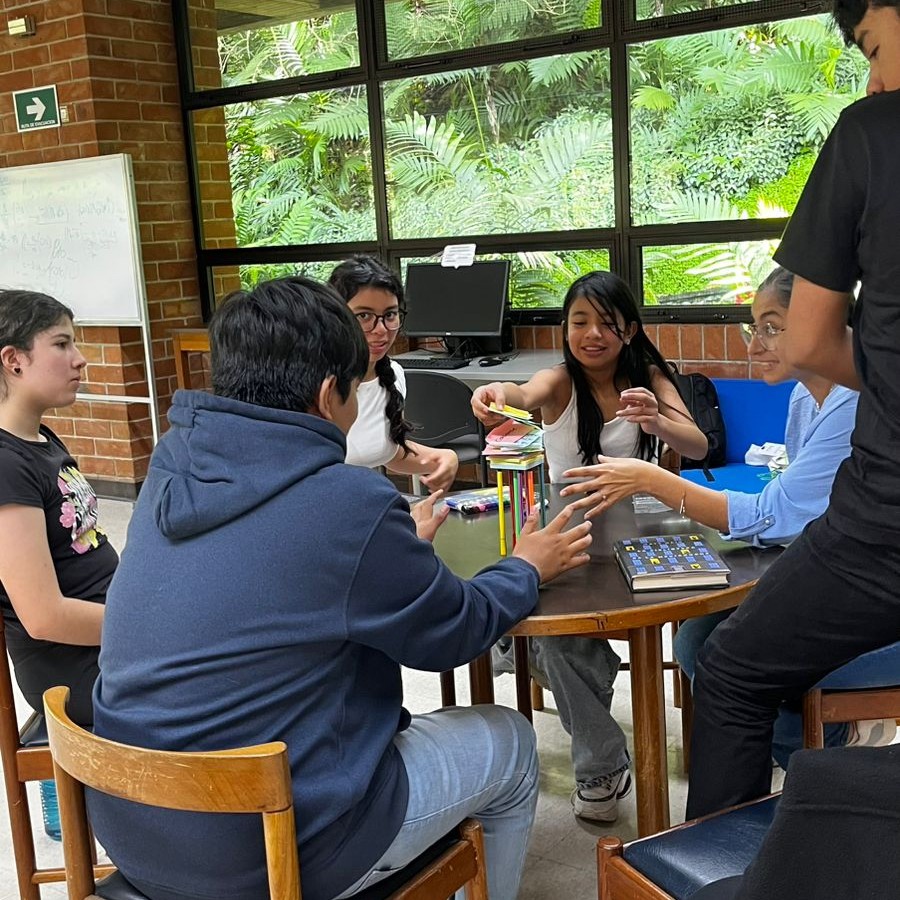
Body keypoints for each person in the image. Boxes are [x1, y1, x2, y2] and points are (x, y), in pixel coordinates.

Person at [90, 276, 593, 900]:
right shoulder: (347, 501)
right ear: (331, 393)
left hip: (135, 822)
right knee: (512, 742)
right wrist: (526, 565)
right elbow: (452, 634)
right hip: (268, 849)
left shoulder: (172, 467)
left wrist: (382, 544)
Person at [684, 0, 900, 820]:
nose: (875, 76)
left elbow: (813, 339)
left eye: (873, 46)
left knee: (731, 667)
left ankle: (722, 867)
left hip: (886, 526)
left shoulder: (872, 133)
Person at [558, 267, 862, 765]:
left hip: (855, 581)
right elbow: (794, 506)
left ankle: (818, 753)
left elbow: (774, 512)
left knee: (713, 652)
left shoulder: (850, 404)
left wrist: (651, 478)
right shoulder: (807, 395)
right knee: (696, 637)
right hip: (820, 560)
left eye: (771, 327)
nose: (754, 344)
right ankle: (800, 745)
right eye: (754, 328)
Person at [470, 270, 707, 823]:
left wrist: (657, 418)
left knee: (547, 644)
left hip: (636, 535)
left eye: (606, 322)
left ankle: (544, 659)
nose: (592, 334)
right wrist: (492, 394)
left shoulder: (646, 376)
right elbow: (520, 395)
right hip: (567, 531)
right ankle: (603, 766)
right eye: (580, 321)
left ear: (629, 329)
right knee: (554, 640)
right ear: (565, 328)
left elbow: (694, 443)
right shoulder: (558, 381)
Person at [0, 290, 117, 727]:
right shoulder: (6, 464)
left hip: (108, 635)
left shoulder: (42, 440)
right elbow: (44, 616)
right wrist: (146, 626)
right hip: (72, 666)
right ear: (14, 360)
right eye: (62, 344)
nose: (80, 358)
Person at [328, 255, 459, 495]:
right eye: (364, 316)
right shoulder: (314, 384)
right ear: (335, 317)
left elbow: (388, 452)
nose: (381, 330)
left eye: (390, 315)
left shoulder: (393, 375)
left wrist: (441, 457)